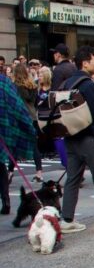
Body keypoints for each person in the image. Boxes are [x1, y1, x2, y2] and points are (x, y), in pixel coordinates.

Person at [59, 46, 94, 233]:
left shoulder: (67, 83)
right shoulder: (88, 84)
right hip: (88, 136)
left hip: (70, 135)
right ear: (85, 63)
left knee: (72, 178)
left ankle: (67, 219)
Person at [0, 73, 38, 215]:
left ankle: (5, 200)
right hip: (3, 128)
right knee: (0, 166)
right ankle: (6, 200)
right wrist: (29, 127)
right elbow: (17, 106)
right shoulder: (4, 82)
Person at [11, 63, 43, 181]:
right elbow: (35, 102)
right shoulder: (33, 86)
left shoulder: (15, 86)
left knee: (14, 146)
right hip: (32, 116)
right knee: (34, 146)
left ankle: (10, 172)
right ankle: (39, 172)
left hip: (19, 117)